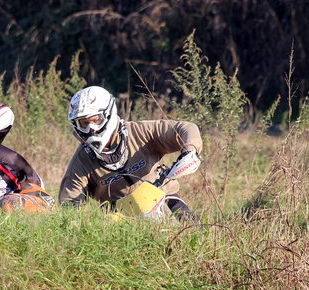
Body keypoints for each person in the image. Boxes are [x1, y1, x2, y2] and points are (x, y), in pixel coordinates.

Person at [59, 85, 203, 221]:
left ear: (108, 114)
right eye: (84, 123)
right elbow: (68, 204)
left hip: (164, 197)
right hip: (121, 217)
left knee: (191, 229)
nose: (92, 129)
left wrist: (190, 149)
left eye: (96, 120)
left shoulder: (140, 132)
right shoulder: (82, 160)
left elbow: (186, 128)